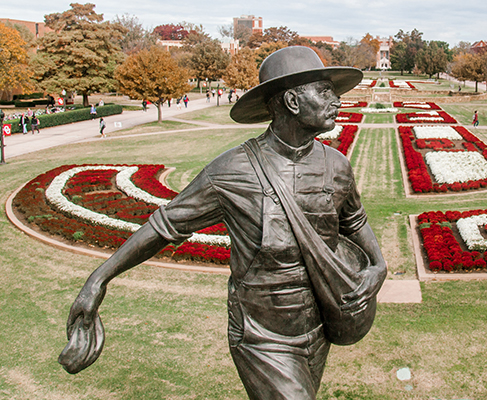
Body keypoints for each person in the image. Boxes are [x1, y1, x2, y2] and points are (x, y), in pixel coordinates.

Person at [58, 46, 387, 400]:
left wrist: (378, 266)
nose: (336, 99)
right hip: (262, 334)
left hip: (318, 325)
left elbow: (354, 222)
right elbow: (164, 226)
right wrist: (98, 280)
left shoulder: (337, 166)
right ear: (292, 101)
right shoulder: (231, 171)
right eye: (324, 91)